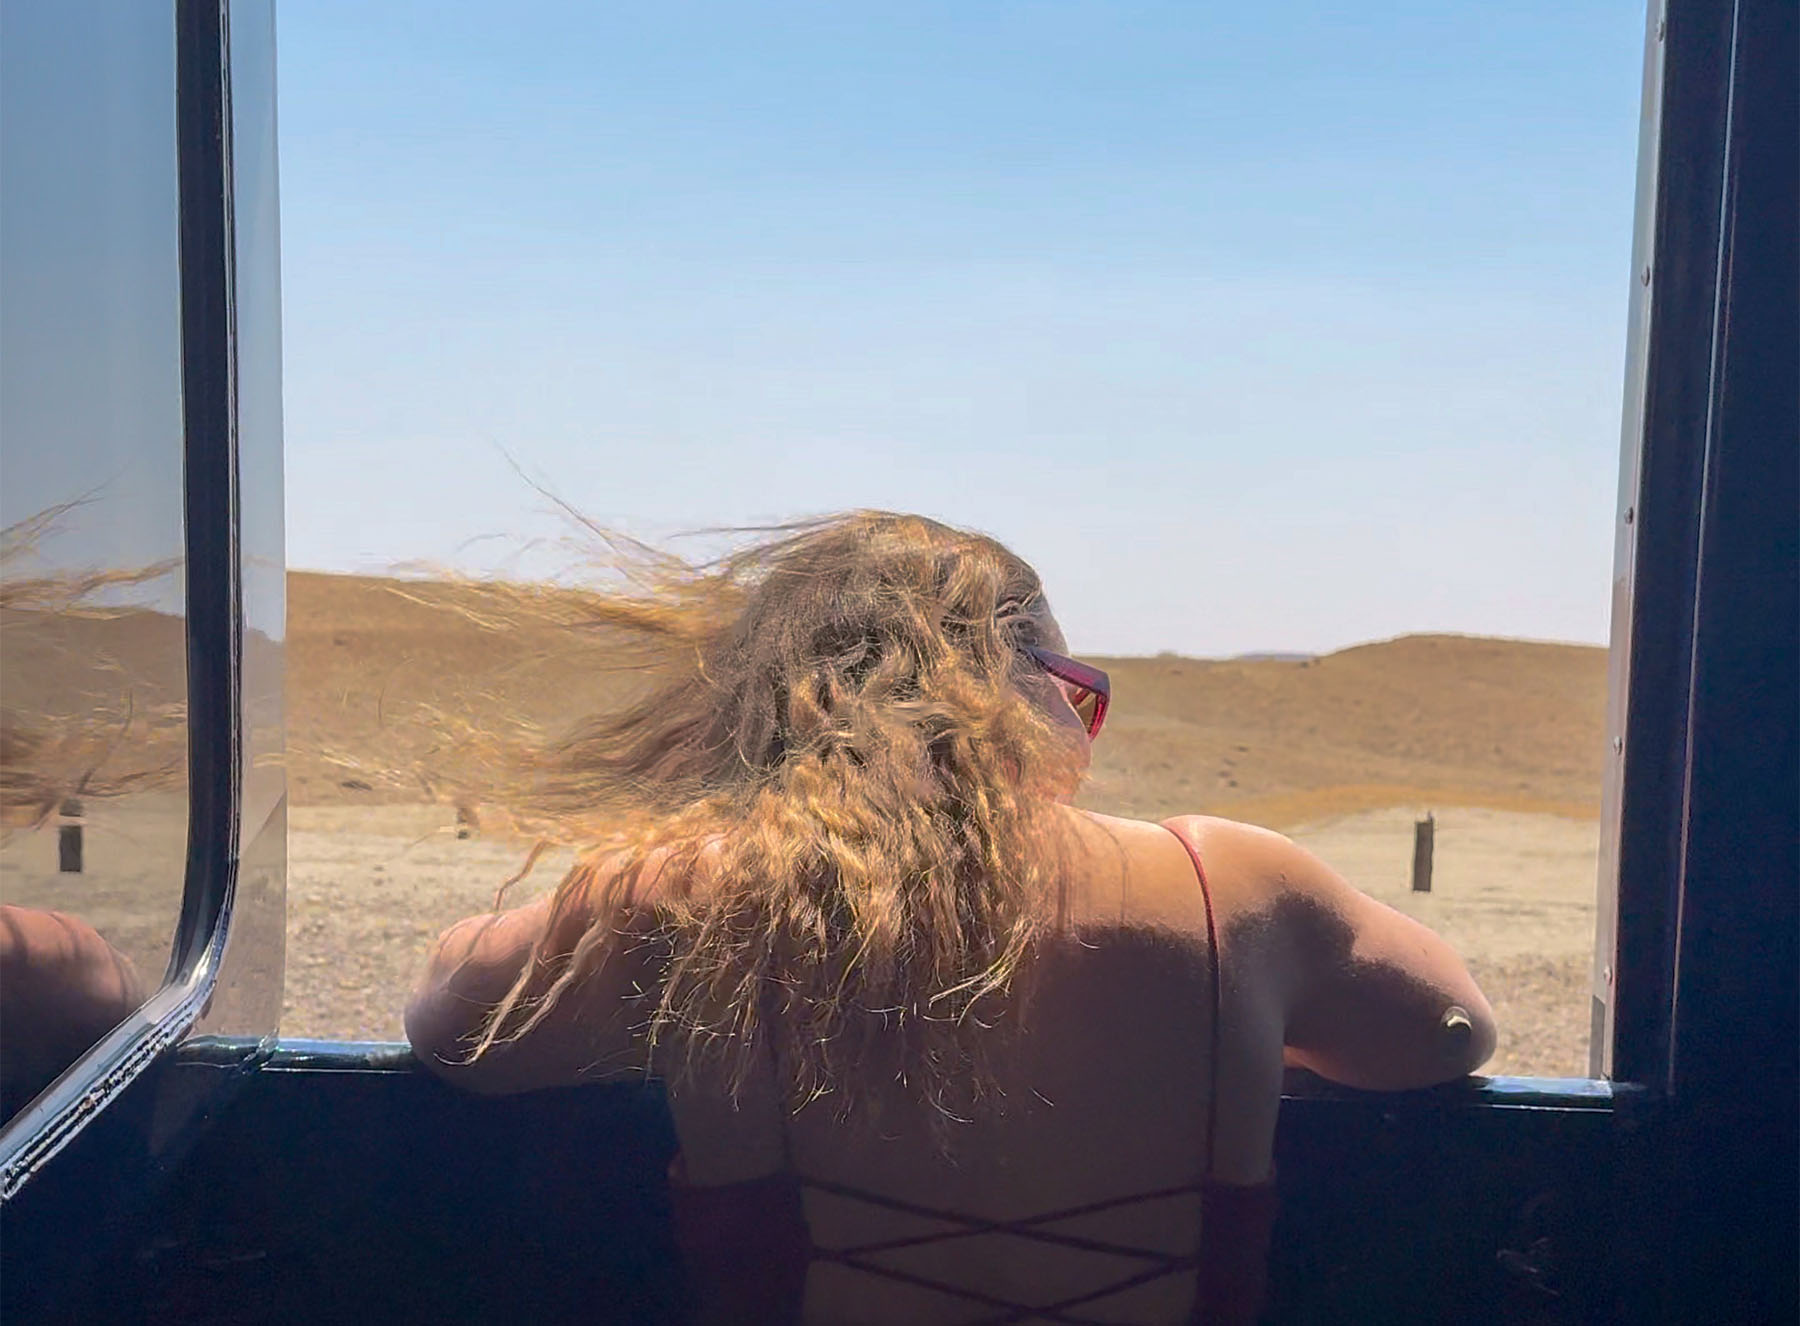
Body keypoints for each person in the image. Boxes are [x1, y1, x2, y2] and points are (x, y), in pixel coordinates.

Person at [406, 511, 1496, 1324]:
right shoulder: (1231, 889)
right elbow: (1449, 1035)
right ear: (1013, 690)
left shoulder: (695, 897)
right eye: (1079, 691)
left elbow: (458, 1031)